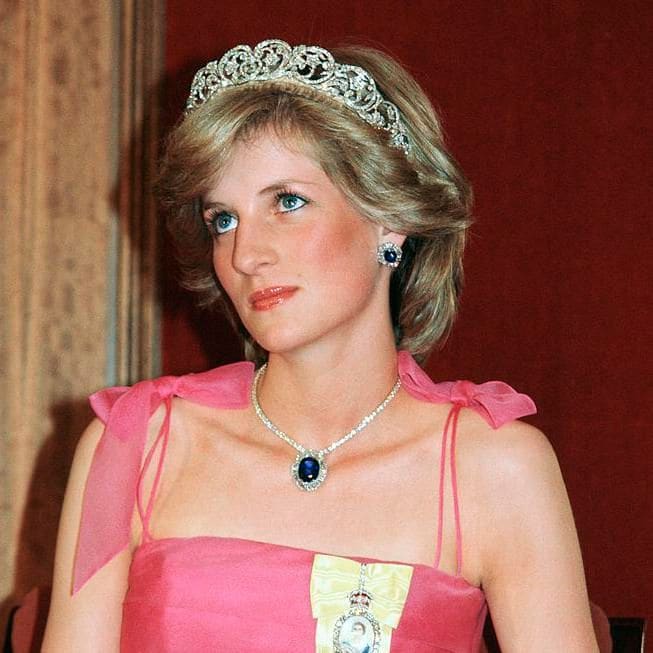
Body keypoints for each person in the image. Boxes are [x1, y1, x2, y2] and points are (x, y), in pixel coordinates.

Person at [43, 39, 599, 651]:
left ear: (390, 218)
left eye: (287, 202)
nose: (245, 254)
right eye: (223, 219)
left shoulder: (494, 467)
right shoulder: (138, 445)